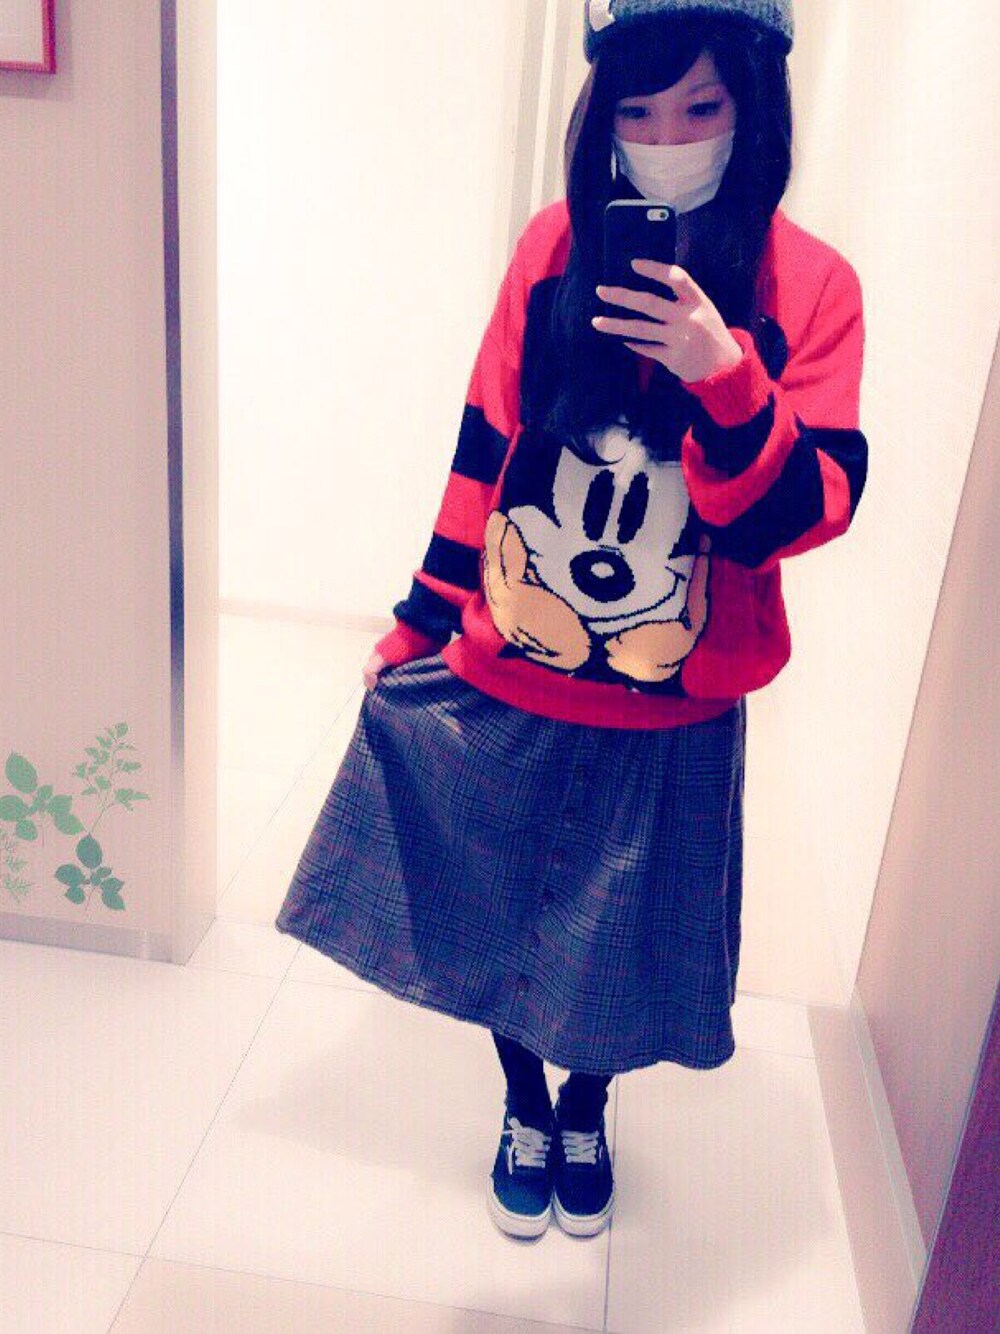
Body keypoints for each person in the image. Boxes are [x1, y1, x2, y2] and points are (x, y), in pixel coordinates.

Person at [275, 0, 868, 1244]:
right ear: (600, 117)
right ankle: (523, 1104)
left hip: (677, 692)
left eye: (701, 108)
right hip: (514, 666)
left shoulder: (810, 286)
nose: (667, 139)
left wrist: (722, 375)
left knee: (616, 935)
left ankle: (586, 1107)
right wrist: (417, 621)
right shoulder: (553, 248)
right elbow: (485, 446)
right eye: (638, 111)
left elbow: (800, 514)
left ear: (753, 109)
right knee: (498, 902)